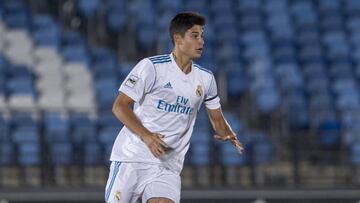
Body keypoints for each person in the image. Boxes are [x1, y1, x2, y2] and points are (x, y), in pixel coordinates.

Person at [104, 12, 243, 203]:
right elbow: (119, 106)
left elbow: (217, 120)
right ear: (178, 39)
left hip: (167, 165)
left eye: (202, 35)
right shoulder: (151, 67)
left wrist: (227, 133)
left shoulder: (206, 78)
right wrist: (147, 136)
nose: (201, 41)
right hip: (132, 158)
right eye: (194, 35)